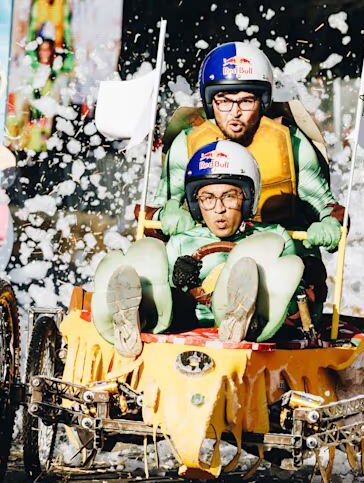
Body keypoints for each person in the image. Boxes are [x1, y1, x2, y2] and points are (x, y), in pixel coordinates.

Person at [148, 42, 343, 314]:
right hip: (206, 256)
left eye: (245, 101)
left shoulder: (292, 144)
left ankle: (277, 324)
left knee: (304, 276)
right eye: (224, 101)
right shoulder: (187, 142)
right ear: (209, 101)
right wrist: (166, 212)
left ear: (262, 101)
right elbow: (155, 213)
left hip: (279, 257)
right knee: (157, 264)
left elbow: (327, 206)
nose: (235, 112)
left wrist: (329, 223)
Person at [93, 141, 303, 357]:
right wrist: (179, 281)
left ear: (248, 198)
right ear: (196, 203)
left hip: (254, 334)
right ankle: (136, 321)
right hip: (187, 325)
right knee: (159, 275)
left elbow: (293, 304)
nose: (219, 209)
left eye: (230, 196)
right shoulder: (182, 241)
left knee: (261, 277)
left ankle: (244, 321)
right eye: (208, 198)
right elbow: (172, 300)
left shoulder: (272, 238)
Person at [26, 0, 73, 74]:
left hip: (55, 42)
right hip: (43, 41)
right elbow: (32, 28)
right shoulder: (39, 3)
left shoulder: (61, 2)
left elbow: (66, 28)